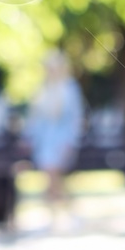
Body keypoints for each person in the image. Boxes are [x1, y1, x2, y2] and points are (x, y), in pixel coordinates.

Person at [25, 51, 84, 226]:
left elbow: (76, 118)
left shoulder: (69, 89)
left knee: (53, 176)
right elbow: (35, 119)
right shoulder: (43, 89)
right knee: (50, 177)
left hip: (62, 140)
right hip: (45, 141)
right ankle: (55, 214)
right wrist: (29, 138)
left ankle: (63, 212)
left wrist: (72, 141)